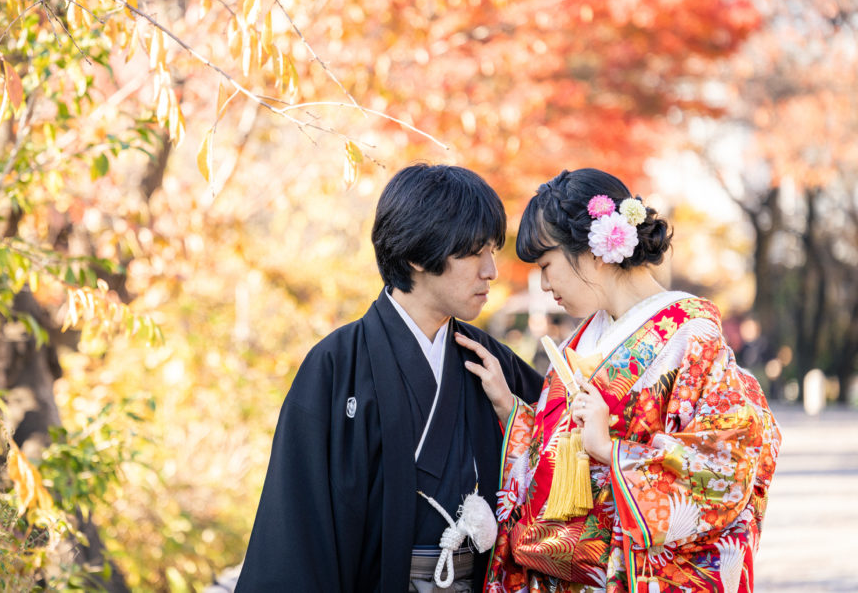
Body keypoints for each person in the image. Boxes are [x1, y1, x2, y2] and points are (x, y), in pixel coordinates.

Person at [458, 168, 781, 593]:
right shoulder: (581, 339)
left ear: (594, 250)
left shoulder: (691, 335)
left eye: (547, 265)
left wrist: (611, 451)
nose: (545, 284)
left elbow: (729, 463)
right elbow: (555, 454)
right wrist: (510, 409)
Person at [236, 164, 544, 593]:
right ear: (417, 255)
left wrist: (513, 413)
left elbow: (569, 466)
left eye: (492, 251)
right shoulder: (334, 367)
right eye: (475, 252)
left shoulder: (491, 364)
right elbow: (296, 526)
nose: (491, 270)